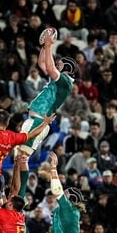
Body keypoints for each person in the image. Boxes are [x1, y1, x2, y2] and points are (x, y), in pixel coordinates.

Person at [17, 30, 77, 195]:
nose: (57, 63)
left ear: (67, 69)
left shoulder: (66, 82)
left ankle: (20, 194)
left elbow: (49, 67)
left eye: (61, 64)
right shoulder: (59, 82)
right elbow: (43, 64)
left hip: (38, 121)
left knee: (21, 158)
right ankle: (18, 193)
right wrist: (44, 46)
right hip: (36, 120)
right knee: (20, 158)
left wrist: (50, 44)